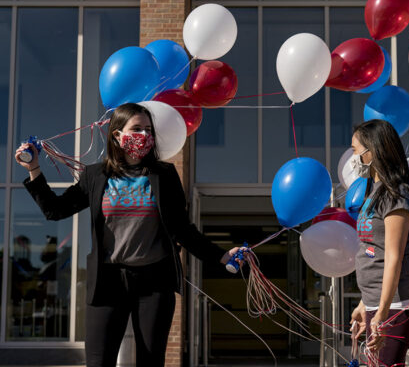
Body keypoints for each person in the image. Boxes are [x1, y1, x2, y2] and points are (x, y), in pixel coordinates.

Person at [15, 103, 243, 367]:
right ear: (117, 135)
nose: (144, 135)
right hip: (108, 281)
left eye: (148, 130)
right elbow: (55, 210)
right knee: (99, 362)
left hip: (154, 283)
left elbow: (183, 230)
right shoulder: (95, 175)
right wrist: (34, 169)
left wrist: (222, 255)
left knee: (151, 361)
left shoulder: (165, 175)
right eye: (136, 129)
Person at [348, 119, 409, 366]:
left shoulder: (397, 194)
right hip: (379, 305)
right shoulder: (374, 192)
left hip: (396, 306)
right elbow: (374, 251)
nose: (353, 157)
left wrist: (381, 313)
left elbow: (394, 257)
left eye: (355, 150)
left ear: (372, 151)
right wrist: (365, 303)